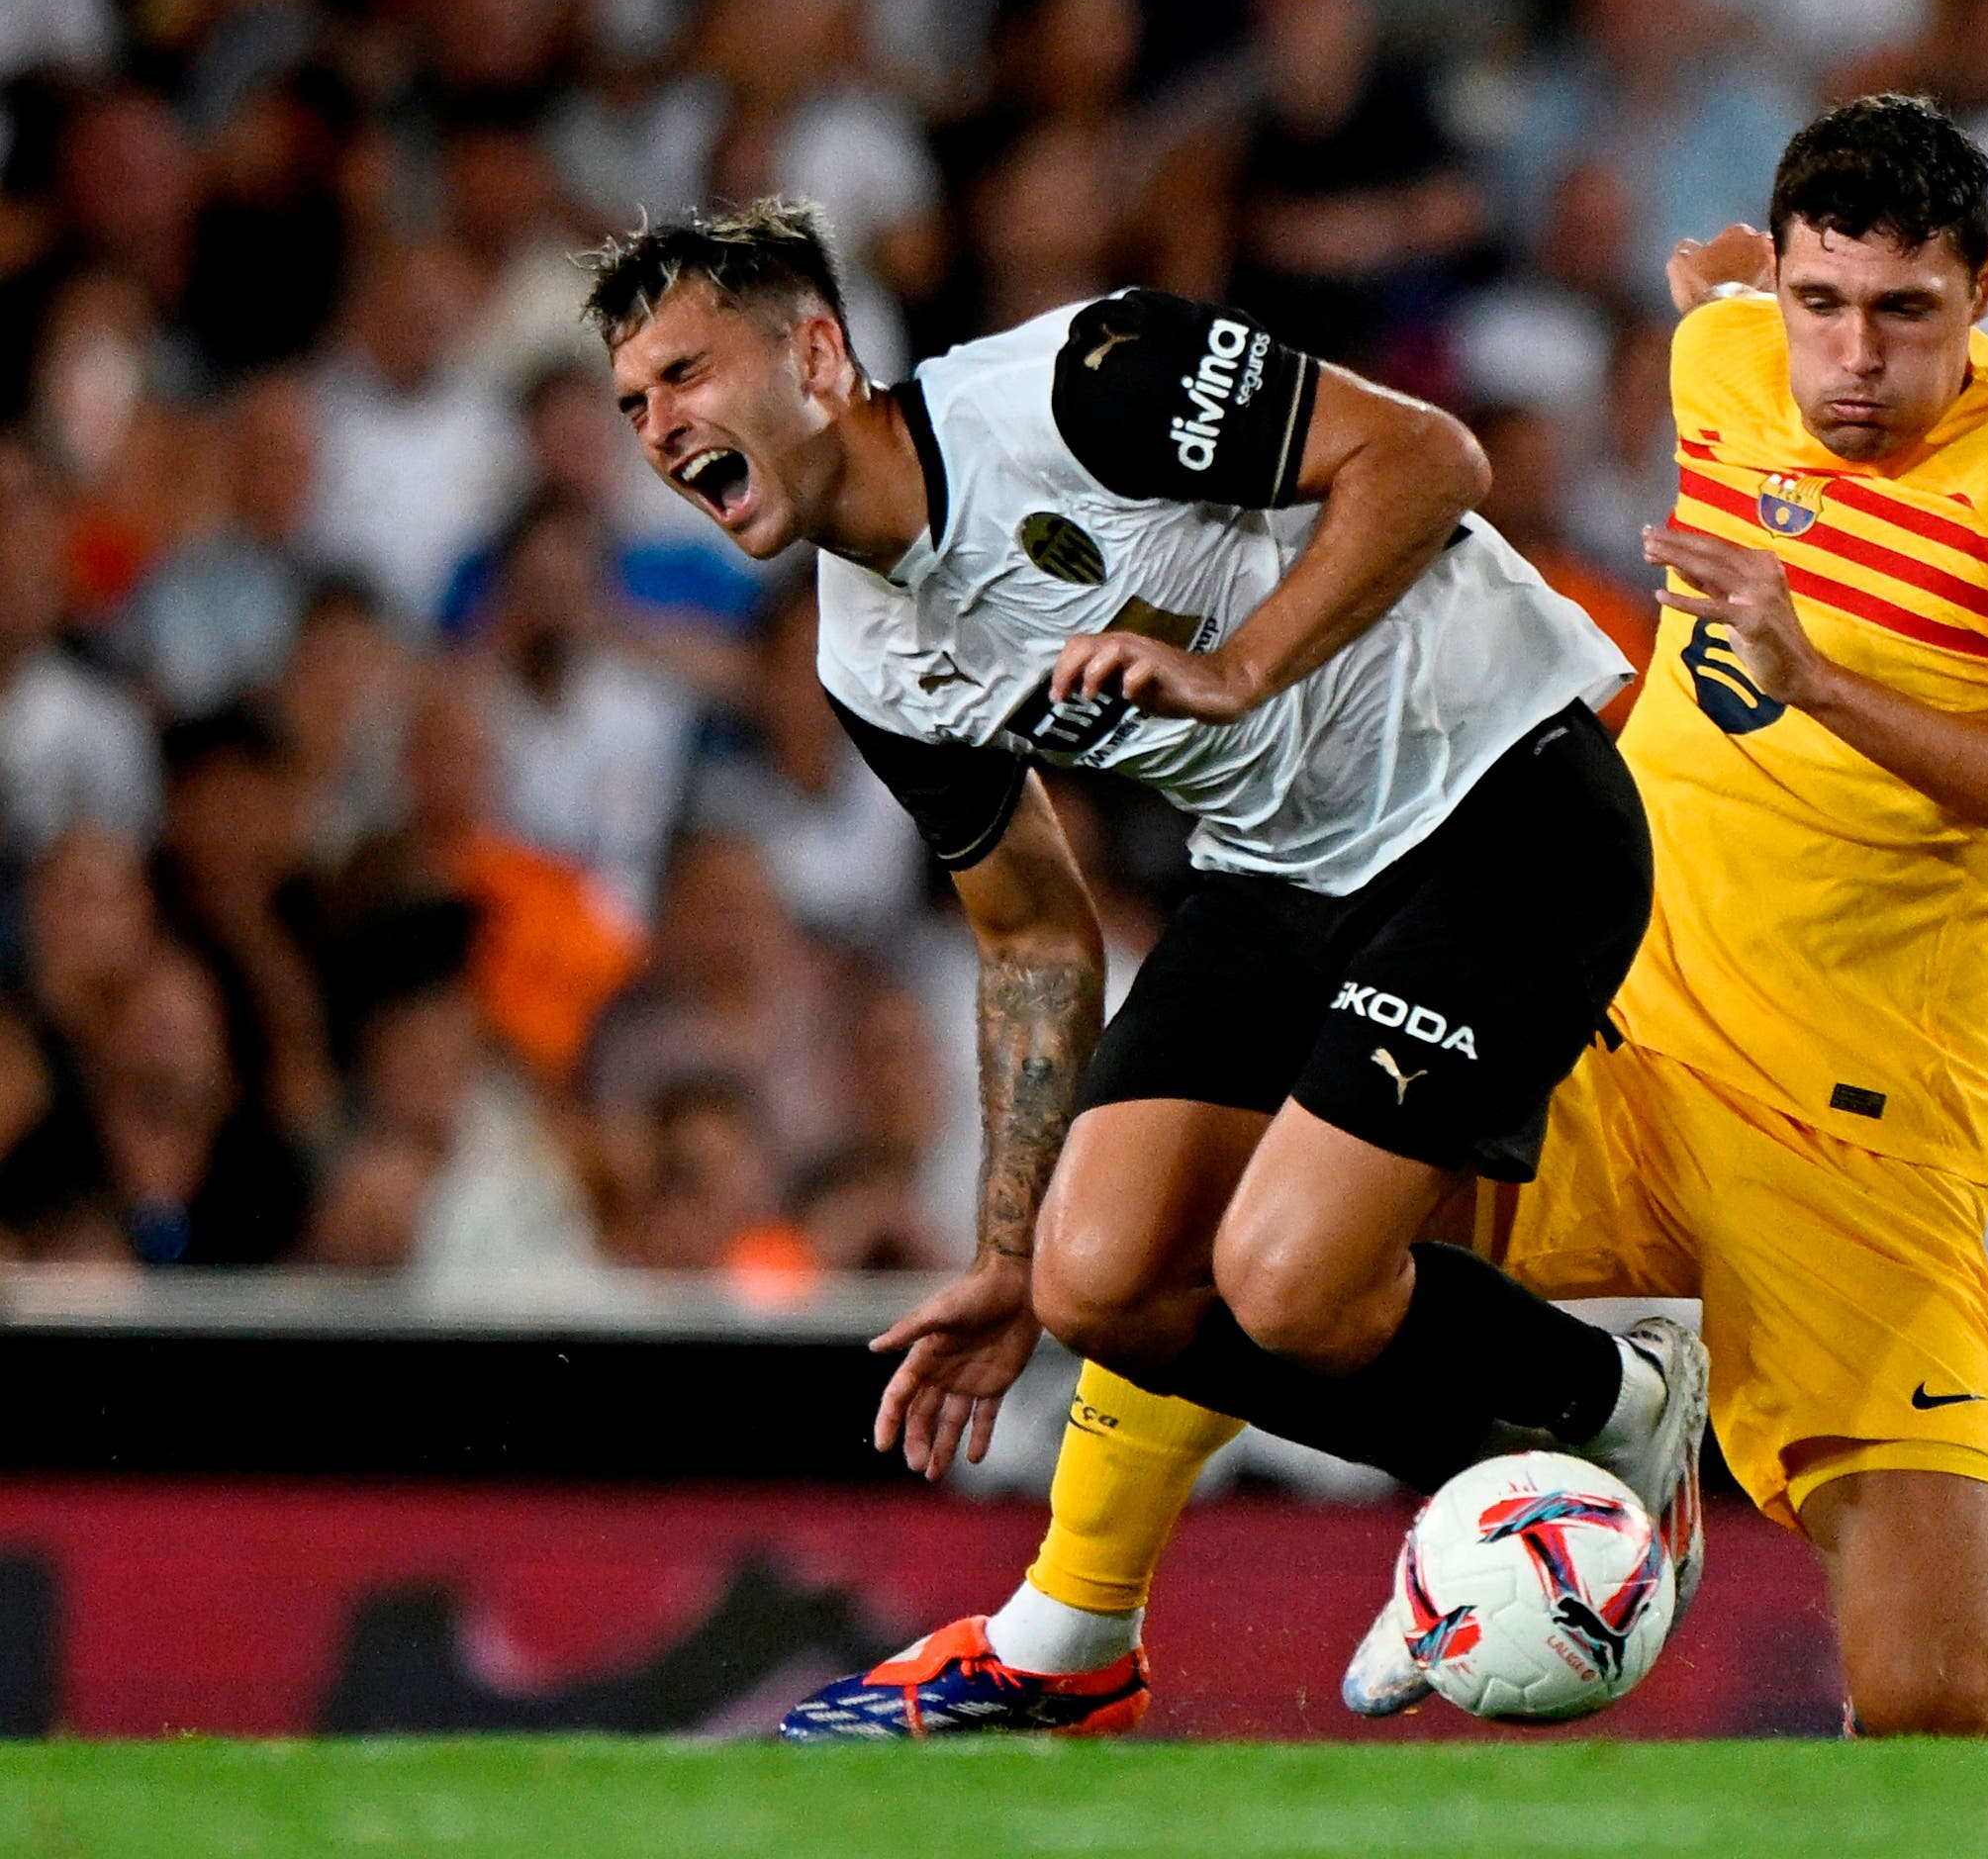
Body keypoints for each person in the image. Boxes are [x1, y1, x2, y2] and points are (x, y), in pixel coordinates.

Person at [869, 95, 1988, 1741]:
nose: (1850, 361)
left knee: (1939, 1702)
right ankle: (1068, 1635)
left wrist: (1813, 672)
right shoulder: (1732, 353)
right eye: (1823, 306)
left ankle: (1531, 1526)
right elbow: (1728, 291)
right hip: (1607, 1019)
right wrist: (1740, 278)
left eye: (1907, 315)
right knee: (1207, 1209)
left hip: (1855, 1123)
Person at [578, 199, 1708, 1740]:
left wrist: (1242, 668)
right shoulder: (868, 655)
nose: (661, 426)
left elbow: (1432, 459)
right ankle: (1528, 1494)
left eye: (688, 375)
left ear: (821, 354)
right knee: (1095, 1280)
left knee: (1291, 1283)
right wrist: (1000, 1248)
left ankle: (1620, 1406)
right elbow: (1034, 929)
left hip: (1499, 798)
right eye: (634, 402)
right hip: (1281, 872)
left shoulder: (1074, 387)